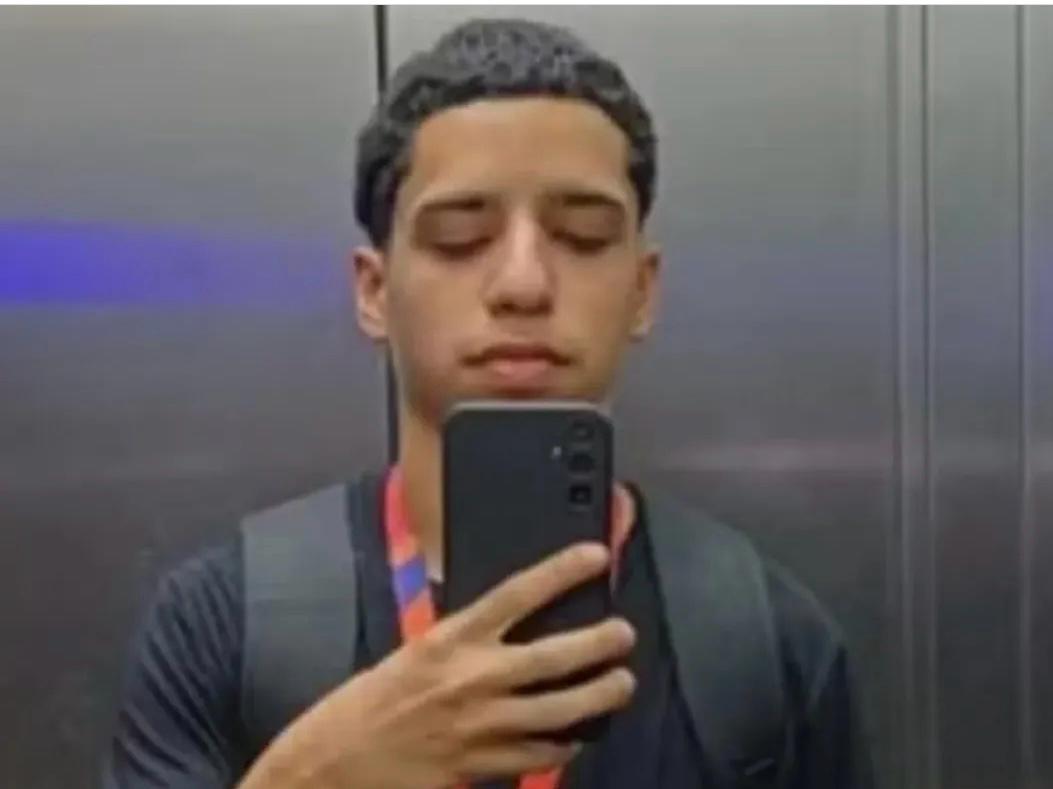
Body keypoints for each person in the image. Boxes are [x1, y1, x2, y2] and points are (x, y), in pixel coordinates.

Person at [104, 18, 873, 789]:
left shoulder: (760, 640)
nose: (523, 284)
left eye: (582, 236)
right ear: (374, 291)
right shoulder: (225, 620)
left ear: (642, 291)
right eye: (459, 238)